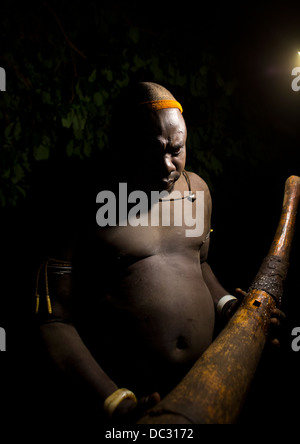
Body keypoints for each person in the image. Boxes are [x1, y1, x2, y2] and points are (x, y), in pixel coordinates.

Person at [35, 82, 283, 424]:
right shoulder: (83, 203)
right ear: (122, 145)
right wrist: (114, 402)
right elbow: (52, 319)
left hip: (207, 384)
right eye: (153, 152)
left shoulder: (197, 191)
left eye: (177, 149)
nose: (168, 166)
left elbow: (200, 263)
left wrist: (232, 310)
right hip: (129, 396)